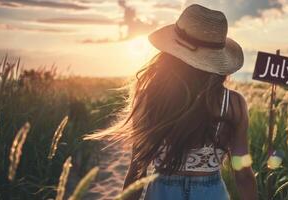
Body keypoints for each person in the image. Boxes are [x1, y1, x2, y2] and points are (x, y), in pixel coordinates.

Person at [88, 4, 257, 200]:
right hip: (211, 193)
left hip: (162, 192)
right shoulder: (233, 104)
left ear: (170, 53)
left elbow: (137, 171)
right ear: (217, 61)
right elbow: (243, 173)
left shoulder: (149, 98)